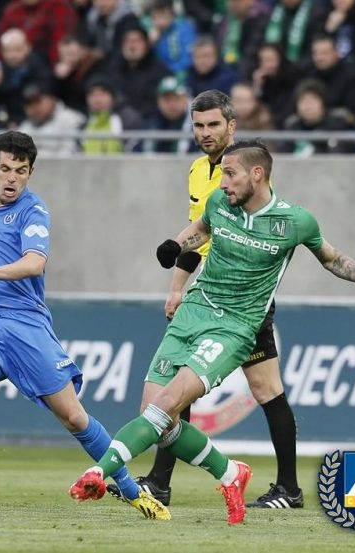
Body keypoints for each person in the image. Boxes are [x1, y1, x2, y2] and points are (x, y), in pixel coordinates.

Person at [70, 138, 355, 524]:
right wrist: (176, 244)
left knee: (167, 406)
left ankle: (99, 472)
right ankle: (230, 473)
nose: (223, 182)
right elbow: (202, 227)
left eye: (229, 174)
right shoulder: (219, 203)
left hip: (235, 326)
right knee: (158, 418)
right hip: (193, 312)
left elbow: (331, 256)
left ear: (257, 174)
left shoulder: (295, 221)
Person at [0, 130, 170, 521]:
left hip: (25, 322)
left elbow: (34, 263)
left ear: (30, 173)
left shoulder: (33, 210)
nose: (12, 178)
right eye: (6, 168)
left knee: (74, 417)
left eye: (20, 171)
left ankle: (130, 489)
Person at [108, 90, 299, 510]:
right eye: (198, 125)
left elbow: (242, 234)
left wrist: (184, 286)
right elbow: (197, 233)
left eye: (214, 124)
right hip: (206, 294)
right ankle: (162, 481)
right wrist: (178, 286)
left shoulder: (243, 172)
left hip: (240, 301)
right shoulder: (197, 170)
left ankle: (286, 487)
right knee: (200, 386)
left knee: (263, 389)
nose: (206, 132)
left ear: (232, 125)